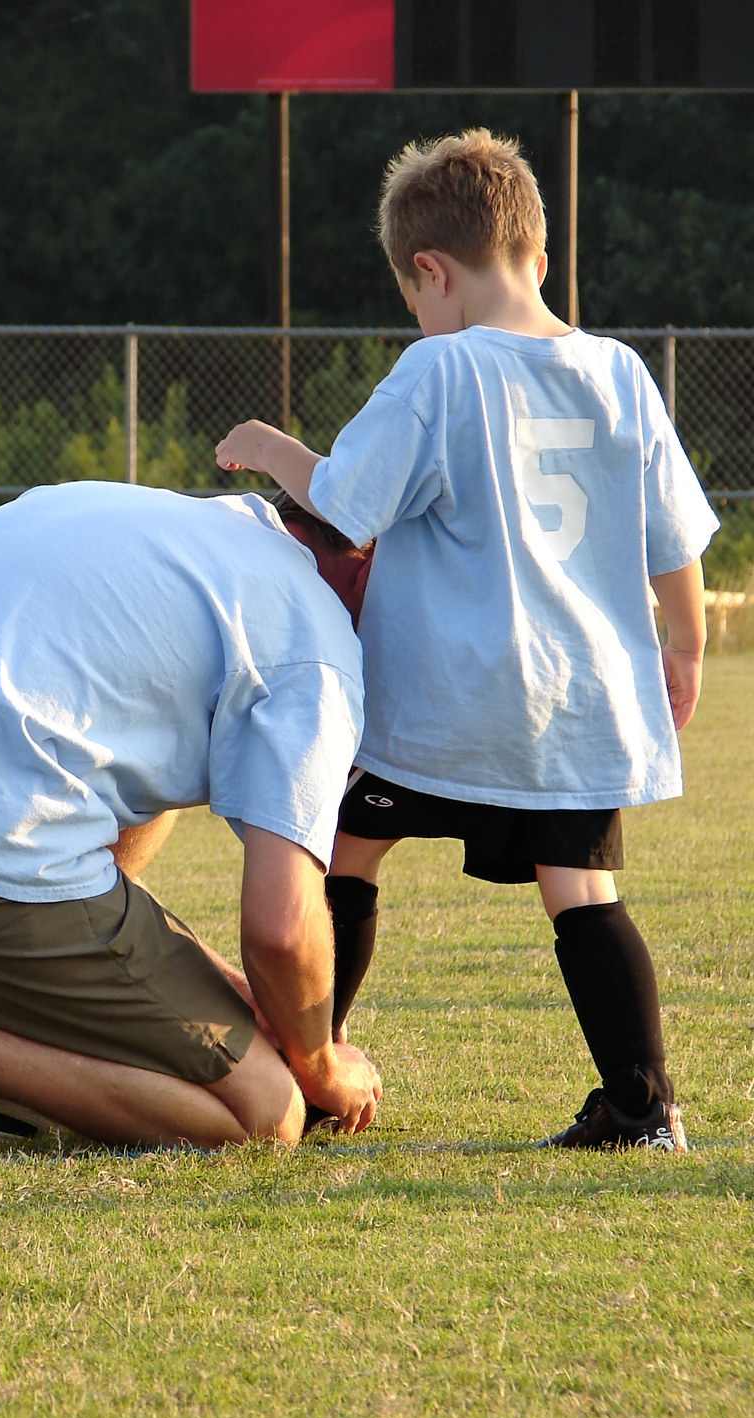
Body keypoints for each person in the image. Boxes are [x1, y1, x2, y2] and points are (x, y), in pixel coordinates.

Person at [215, 128, 719, 1152]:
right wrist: (683, 647)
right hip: (578, 703)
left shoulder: (438, 374)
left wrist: (271, 447)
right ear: (537, 259)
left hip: (444, 703)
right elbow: (674, 539)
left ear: (431, 271)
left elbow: (349, 505)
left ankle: (318, 1071)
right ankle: (641, 1107)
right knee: (581, 892)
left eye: (415, 295)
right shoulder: (619, 371)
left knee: (345, 856)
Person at [0, 480, 382, 1164]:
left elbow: (110, 866)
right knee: (264, 1109)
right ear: (371, 562)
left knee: (137, 814)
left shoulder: (166, 521)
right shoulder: (316, 637)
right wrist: (320, 1062)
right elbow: (282, 930)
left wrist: (222, 991)